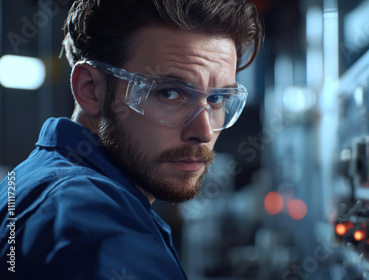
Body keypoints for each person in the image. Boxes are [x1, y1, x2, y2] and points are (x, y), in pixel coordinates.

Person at [0, 0, 263, 279]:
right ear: (90, 90)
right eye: (170, 93)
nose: (204, 131)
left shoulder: (30, 182)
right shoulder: (101, 225)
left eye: (218, 98)